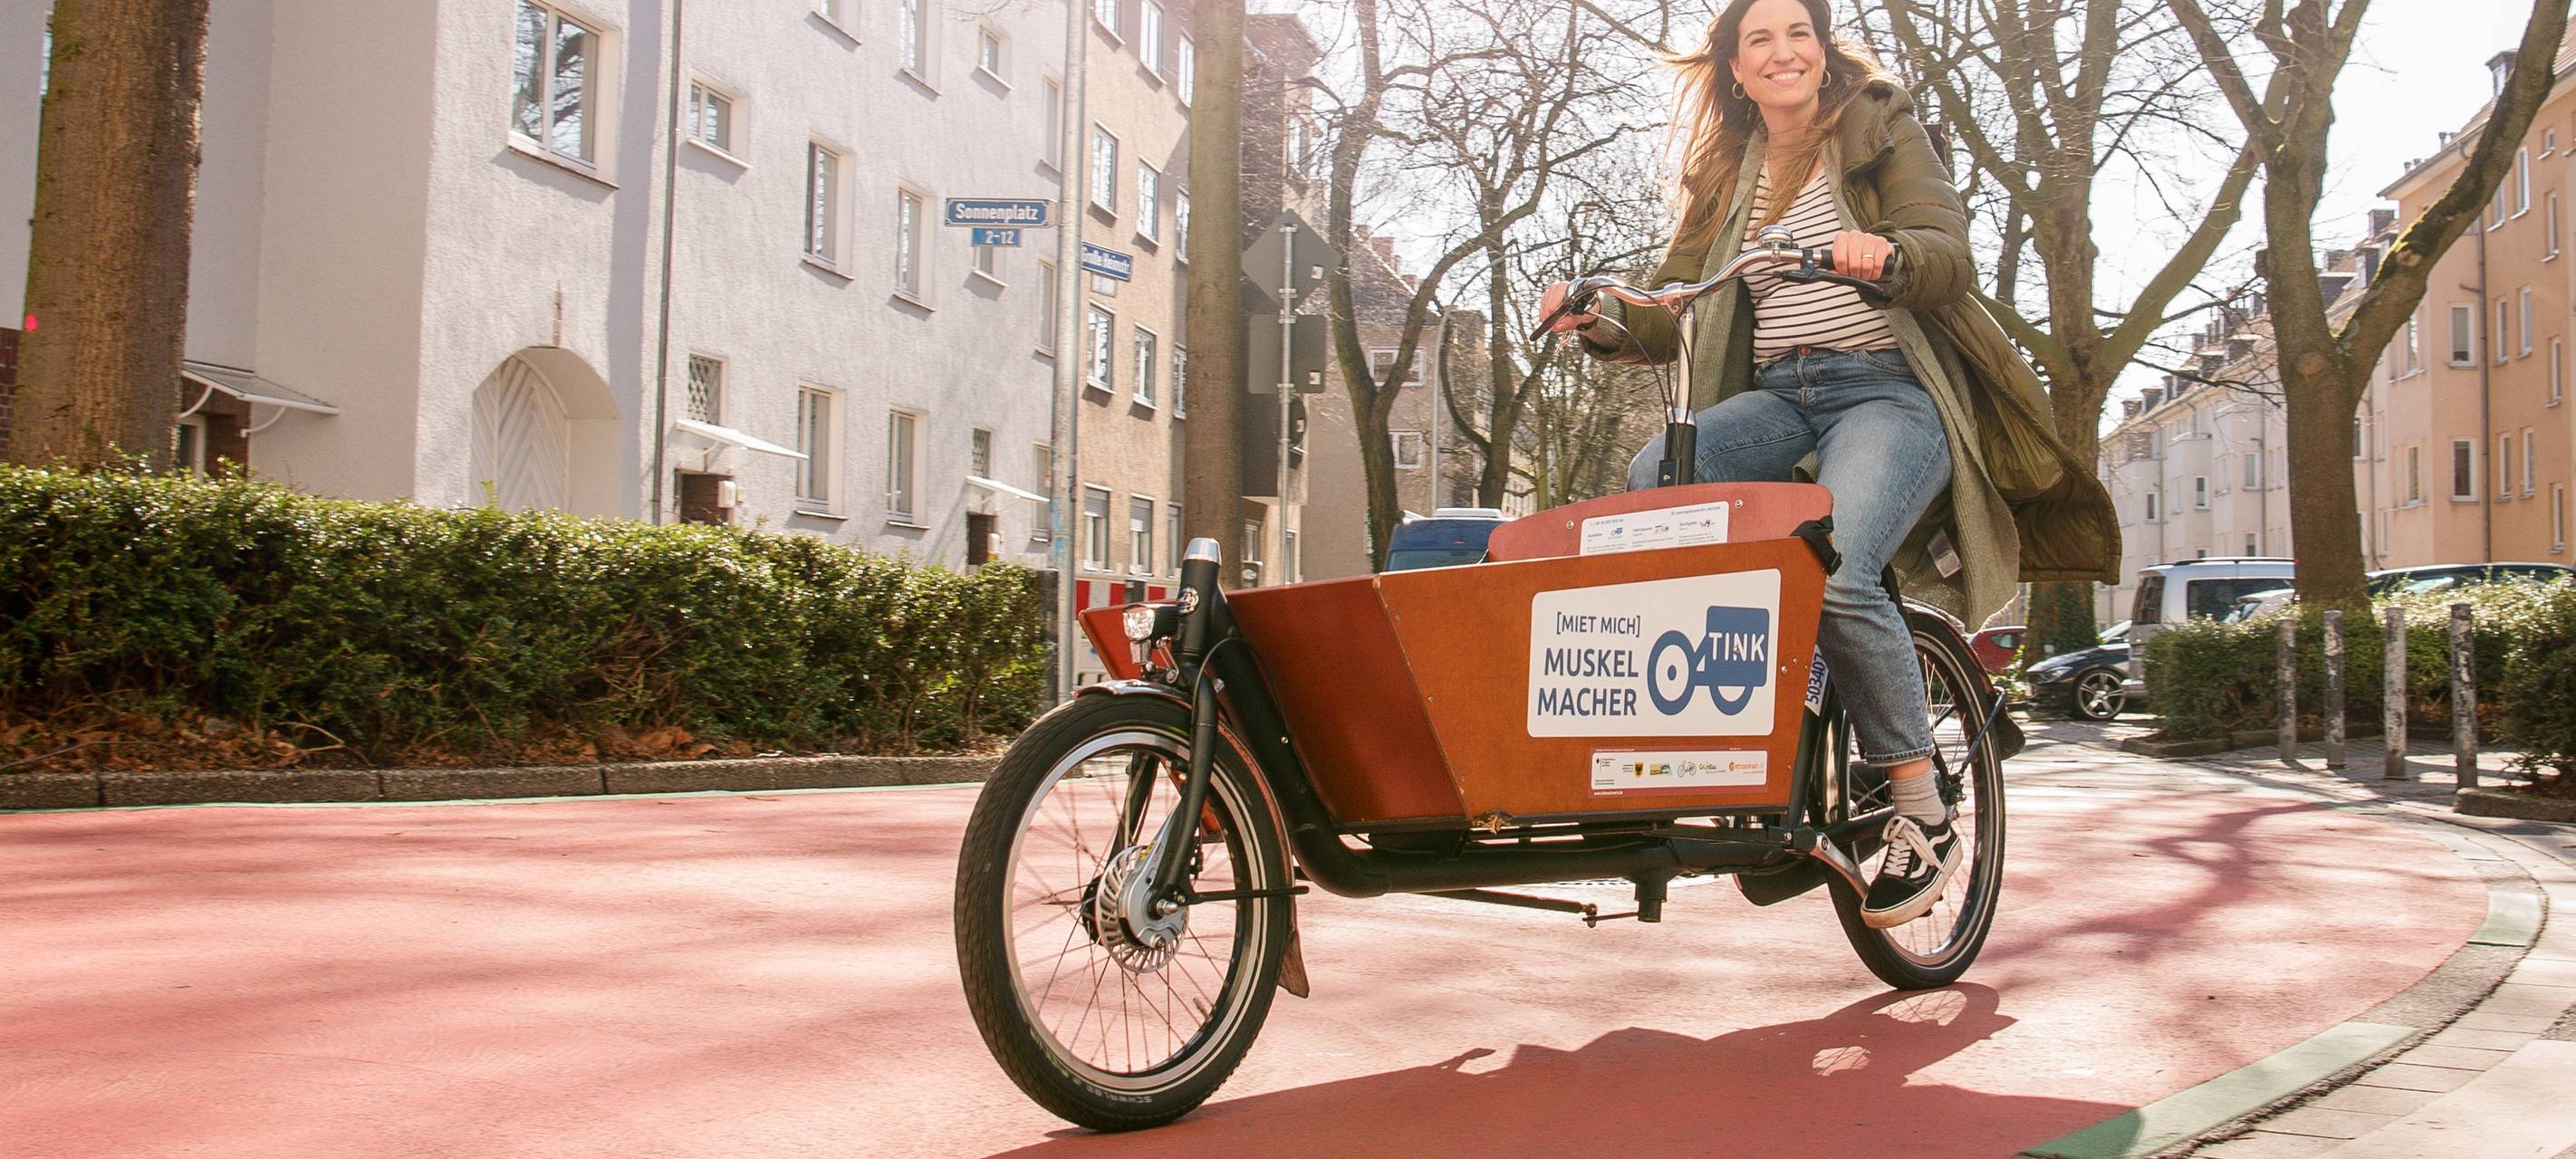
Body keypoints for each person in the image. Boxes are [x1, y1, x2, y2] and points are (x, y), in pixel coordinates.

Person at [1542, 0, 2117, 927]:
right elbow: (1670, 304)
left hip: (1890, 391)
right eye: (1758, 38)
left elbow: (1944, 253)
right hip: (1779, 398)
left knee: (1838, 570)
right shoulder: (1727, 169)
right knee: (1658, 480)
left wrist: (1885, 253)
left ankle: (1920, 809)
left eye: (1798, 33)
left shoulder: (1880, 129)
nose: (1782, 52)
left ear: (1821, 49)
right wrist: (1600, 317)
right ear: (1734, 65)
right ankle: (1759, 765)